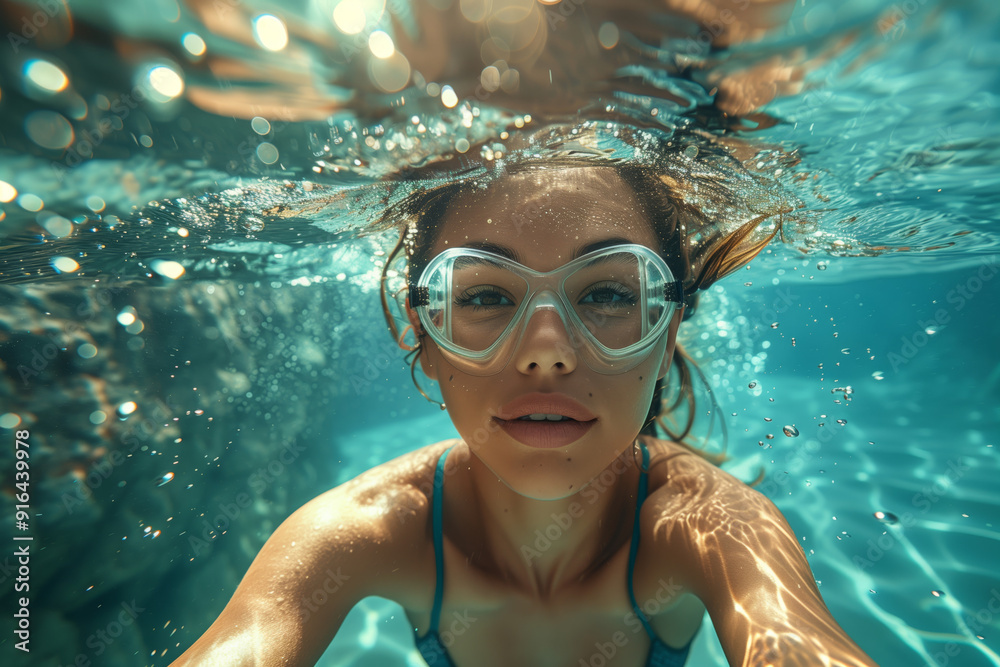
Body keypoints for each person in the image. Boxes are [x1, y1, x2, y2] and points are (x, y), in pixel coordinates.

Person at [170, 127, 876, 667]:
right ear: (424, 336)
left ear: (665, 334)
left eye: (605, 292)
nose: (547, 350)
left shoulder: (706, 524)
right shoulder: (367, 531)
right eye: (483, 294)